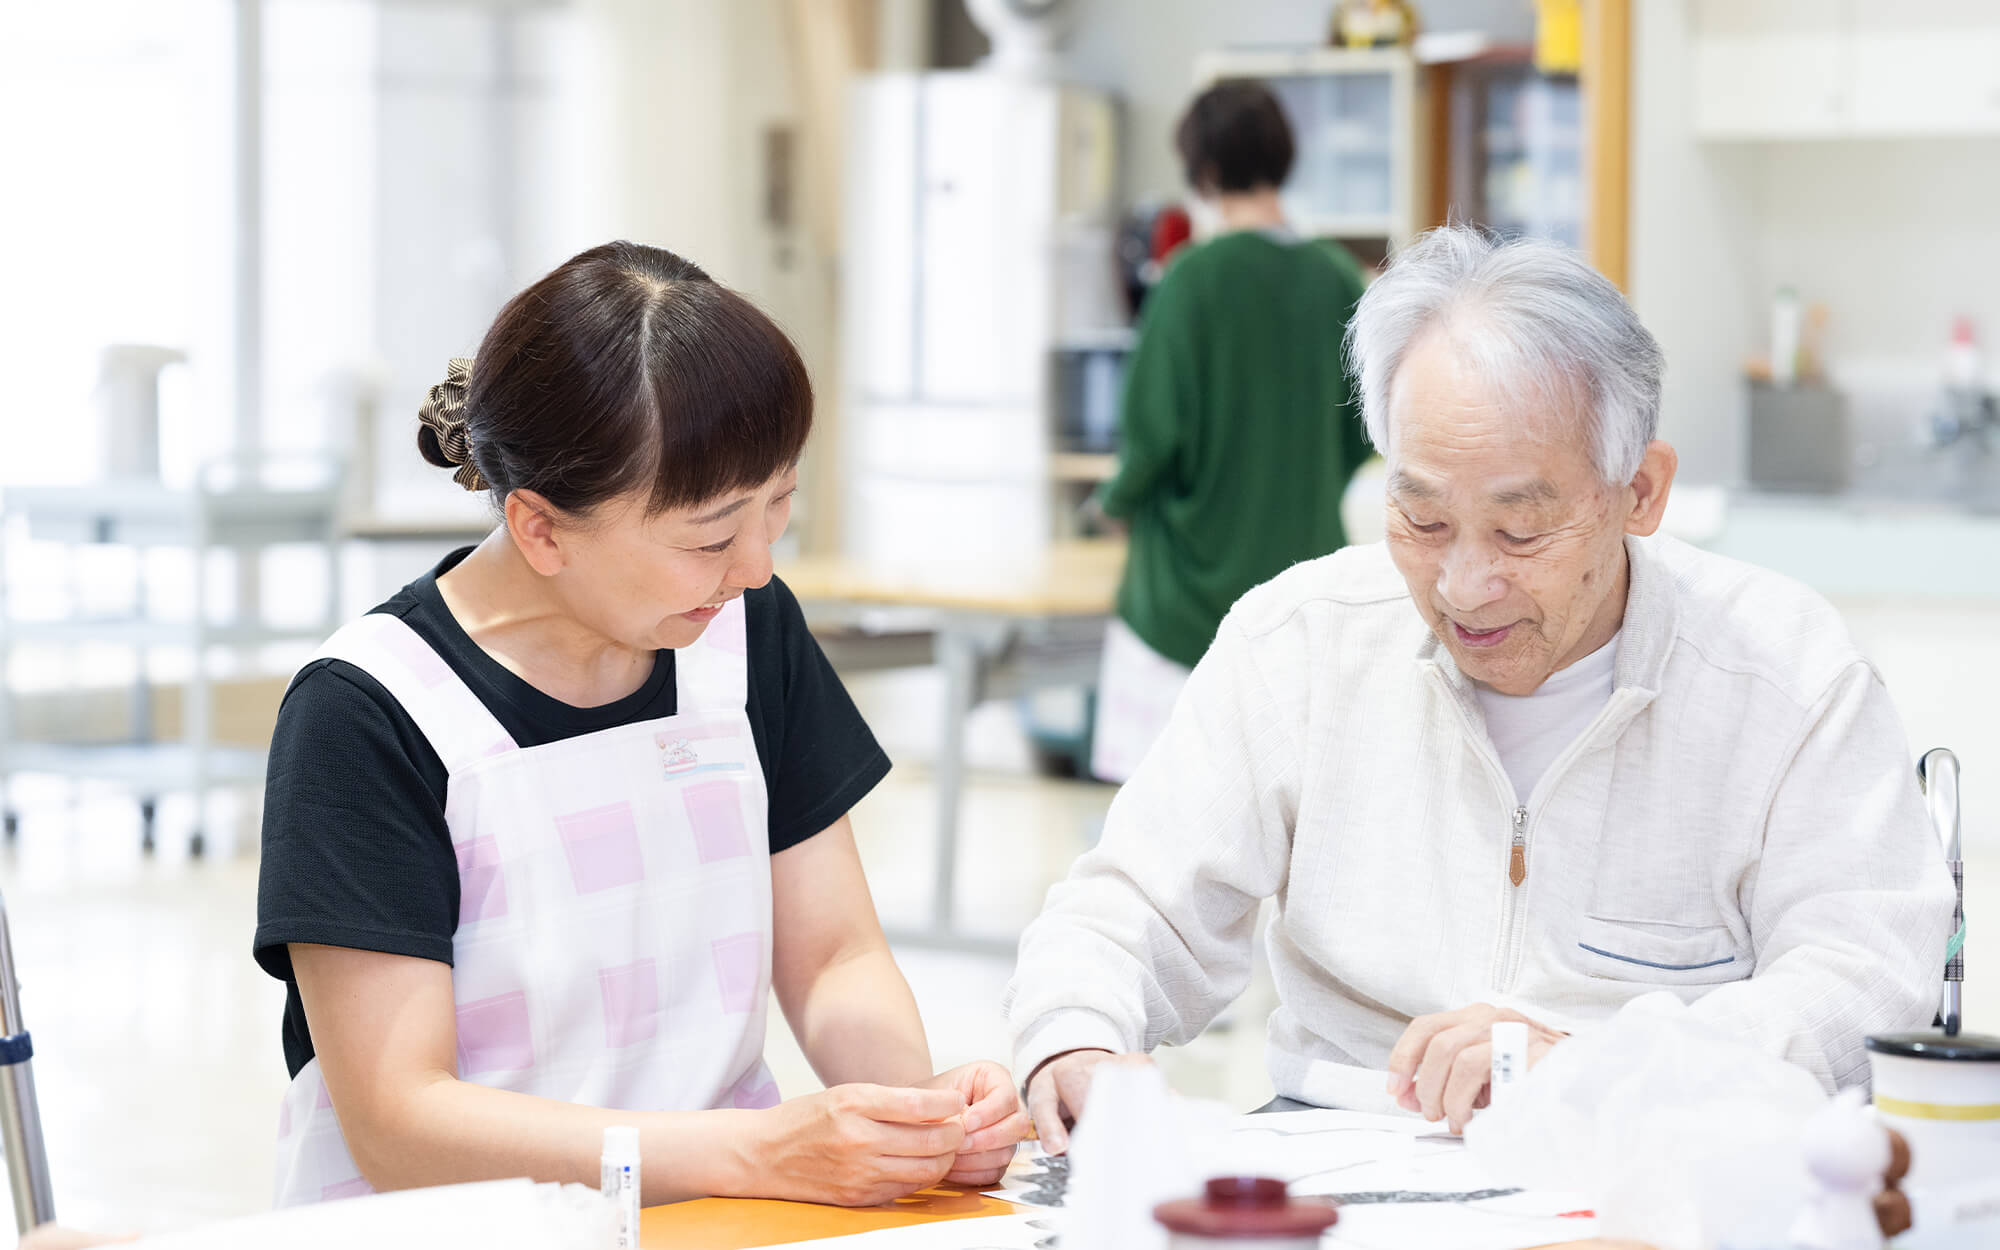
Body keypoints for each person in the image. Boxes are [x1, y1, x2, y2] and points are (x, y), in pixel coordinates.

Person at [1009, 226, 1955, 1148]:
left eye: (1520, 532)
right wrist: (1074, 1038)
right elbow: (1133, 904)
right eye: (1422, 520)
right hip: (1340, 1150)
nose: (1464, 588)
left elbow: (1864, 980)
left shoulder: (1783, 672)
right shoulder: (1302, 640)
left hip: (1655, 1161)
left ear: (1640, 492)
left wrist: (1594, 1068)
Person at [254, 242, 1026, 1207]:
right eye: (711, 536)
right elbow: (402, 1126)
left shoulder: (743, 634)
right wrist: (752, 1154)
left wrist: (912, 1116)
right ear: (541, 528)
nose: (756, 567)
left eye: (779, 504)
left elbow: (834, 956)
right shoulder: (369, 713)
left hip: (712, 1216)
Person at [1088, 79, 1373, 782]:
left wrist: (1110, 508)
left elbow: (1151, 440)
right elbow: (1363, 433)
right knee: (1281, 811)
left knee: (1162, 812)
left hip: (1181, 606)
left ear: (1205, 171)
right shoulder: (1339, 279)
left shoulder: (1190, 281)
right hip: (1300, 595)